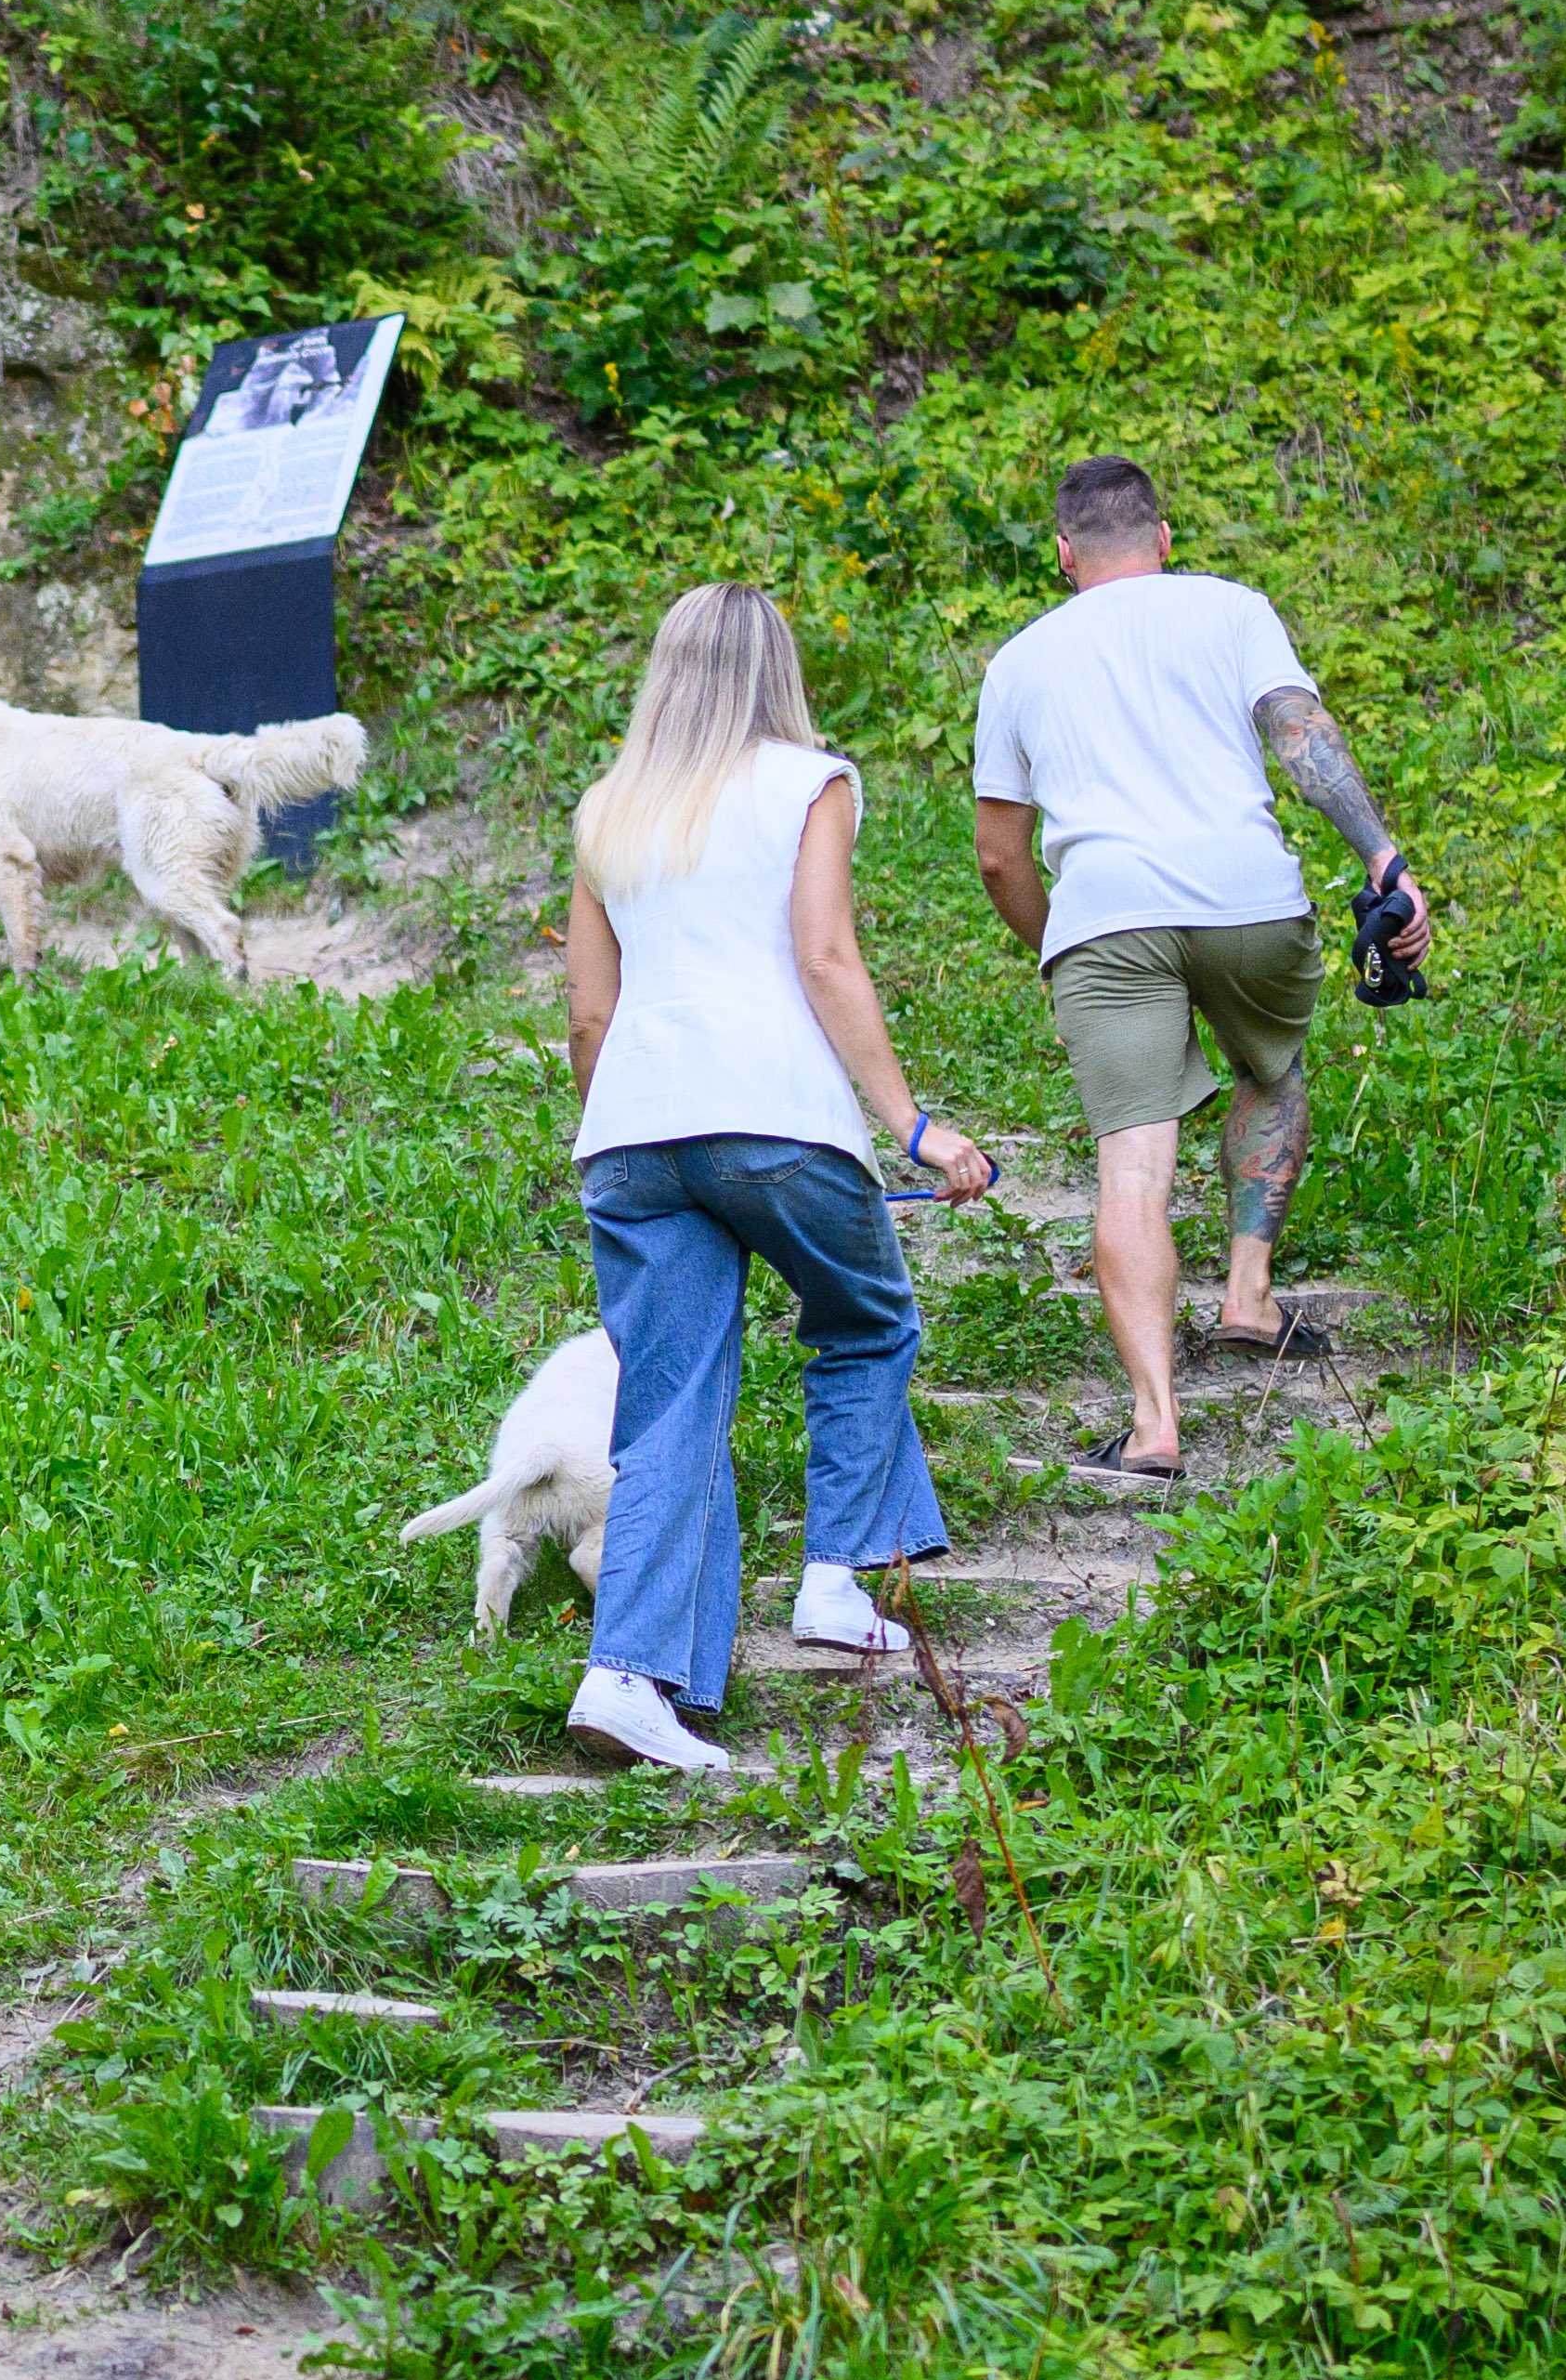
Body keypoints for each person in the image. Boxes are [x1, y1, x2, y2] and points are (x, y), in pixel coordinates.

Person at [554, 582, 1002, 1781]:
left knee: (669, 1407)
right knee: (865, 1320)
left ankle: (627, 1675)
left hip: (632, 1133)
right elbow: (824, 953)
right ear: (777, 669)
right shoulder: (812, 781)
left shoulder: (609, 807)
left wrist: (621, 1122)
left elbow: (589, 1011)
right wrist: (912, 1126)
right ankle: (835, 1581)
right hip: (776, 1118)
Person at [962, 453, 1433, 1492]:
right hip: (1247, 899)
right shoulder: (1232, 609)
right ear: (1165, 539)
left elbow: (999, 856)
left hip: (1106, 918)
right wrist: (1381, 856)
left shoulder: (1019, 661)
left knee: (1132, 1168)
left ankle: (1154, 1428)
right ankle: (1248, 1295)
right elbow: (1300, 734)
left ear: (1064, 554)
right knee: (1272, 1064)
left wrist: (1059, 945)